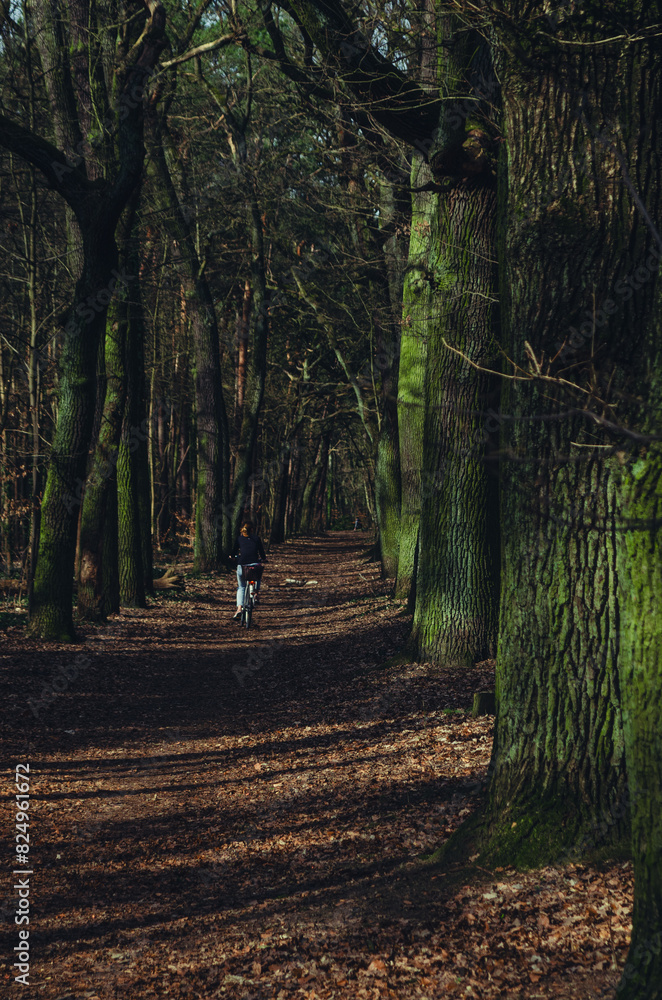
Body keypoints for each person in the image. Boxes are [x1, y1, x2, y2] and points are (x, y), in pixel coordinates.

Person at [232, 521, 267, 620]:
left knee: (241, 587)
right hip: (254, 565)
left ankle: (239, 609)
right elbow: (261, 552)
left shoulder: (239, 539)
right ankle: (255, 593)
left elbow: (234, 551)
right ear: (252, 530)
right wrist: (263, 558)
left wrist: (232, 557)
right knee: (258, 575)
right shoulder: (256, 538)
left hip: (242, 566)